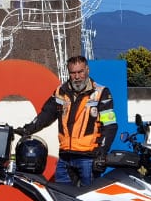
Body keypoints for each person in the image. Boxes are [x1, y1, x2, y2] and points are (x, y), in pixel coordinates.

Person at [17, 55, 117, 186]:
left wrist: (102, 153)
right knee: (63, 200)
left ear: (87, 70)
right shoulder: (60, 92)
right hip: (65, 158)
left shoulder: (101, 93)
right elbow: (46, 115)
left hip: (88, 158)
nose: (77, 77)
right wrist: (28, 129)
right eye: (73, 73)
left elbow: (110, 126)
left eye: (80, 72)